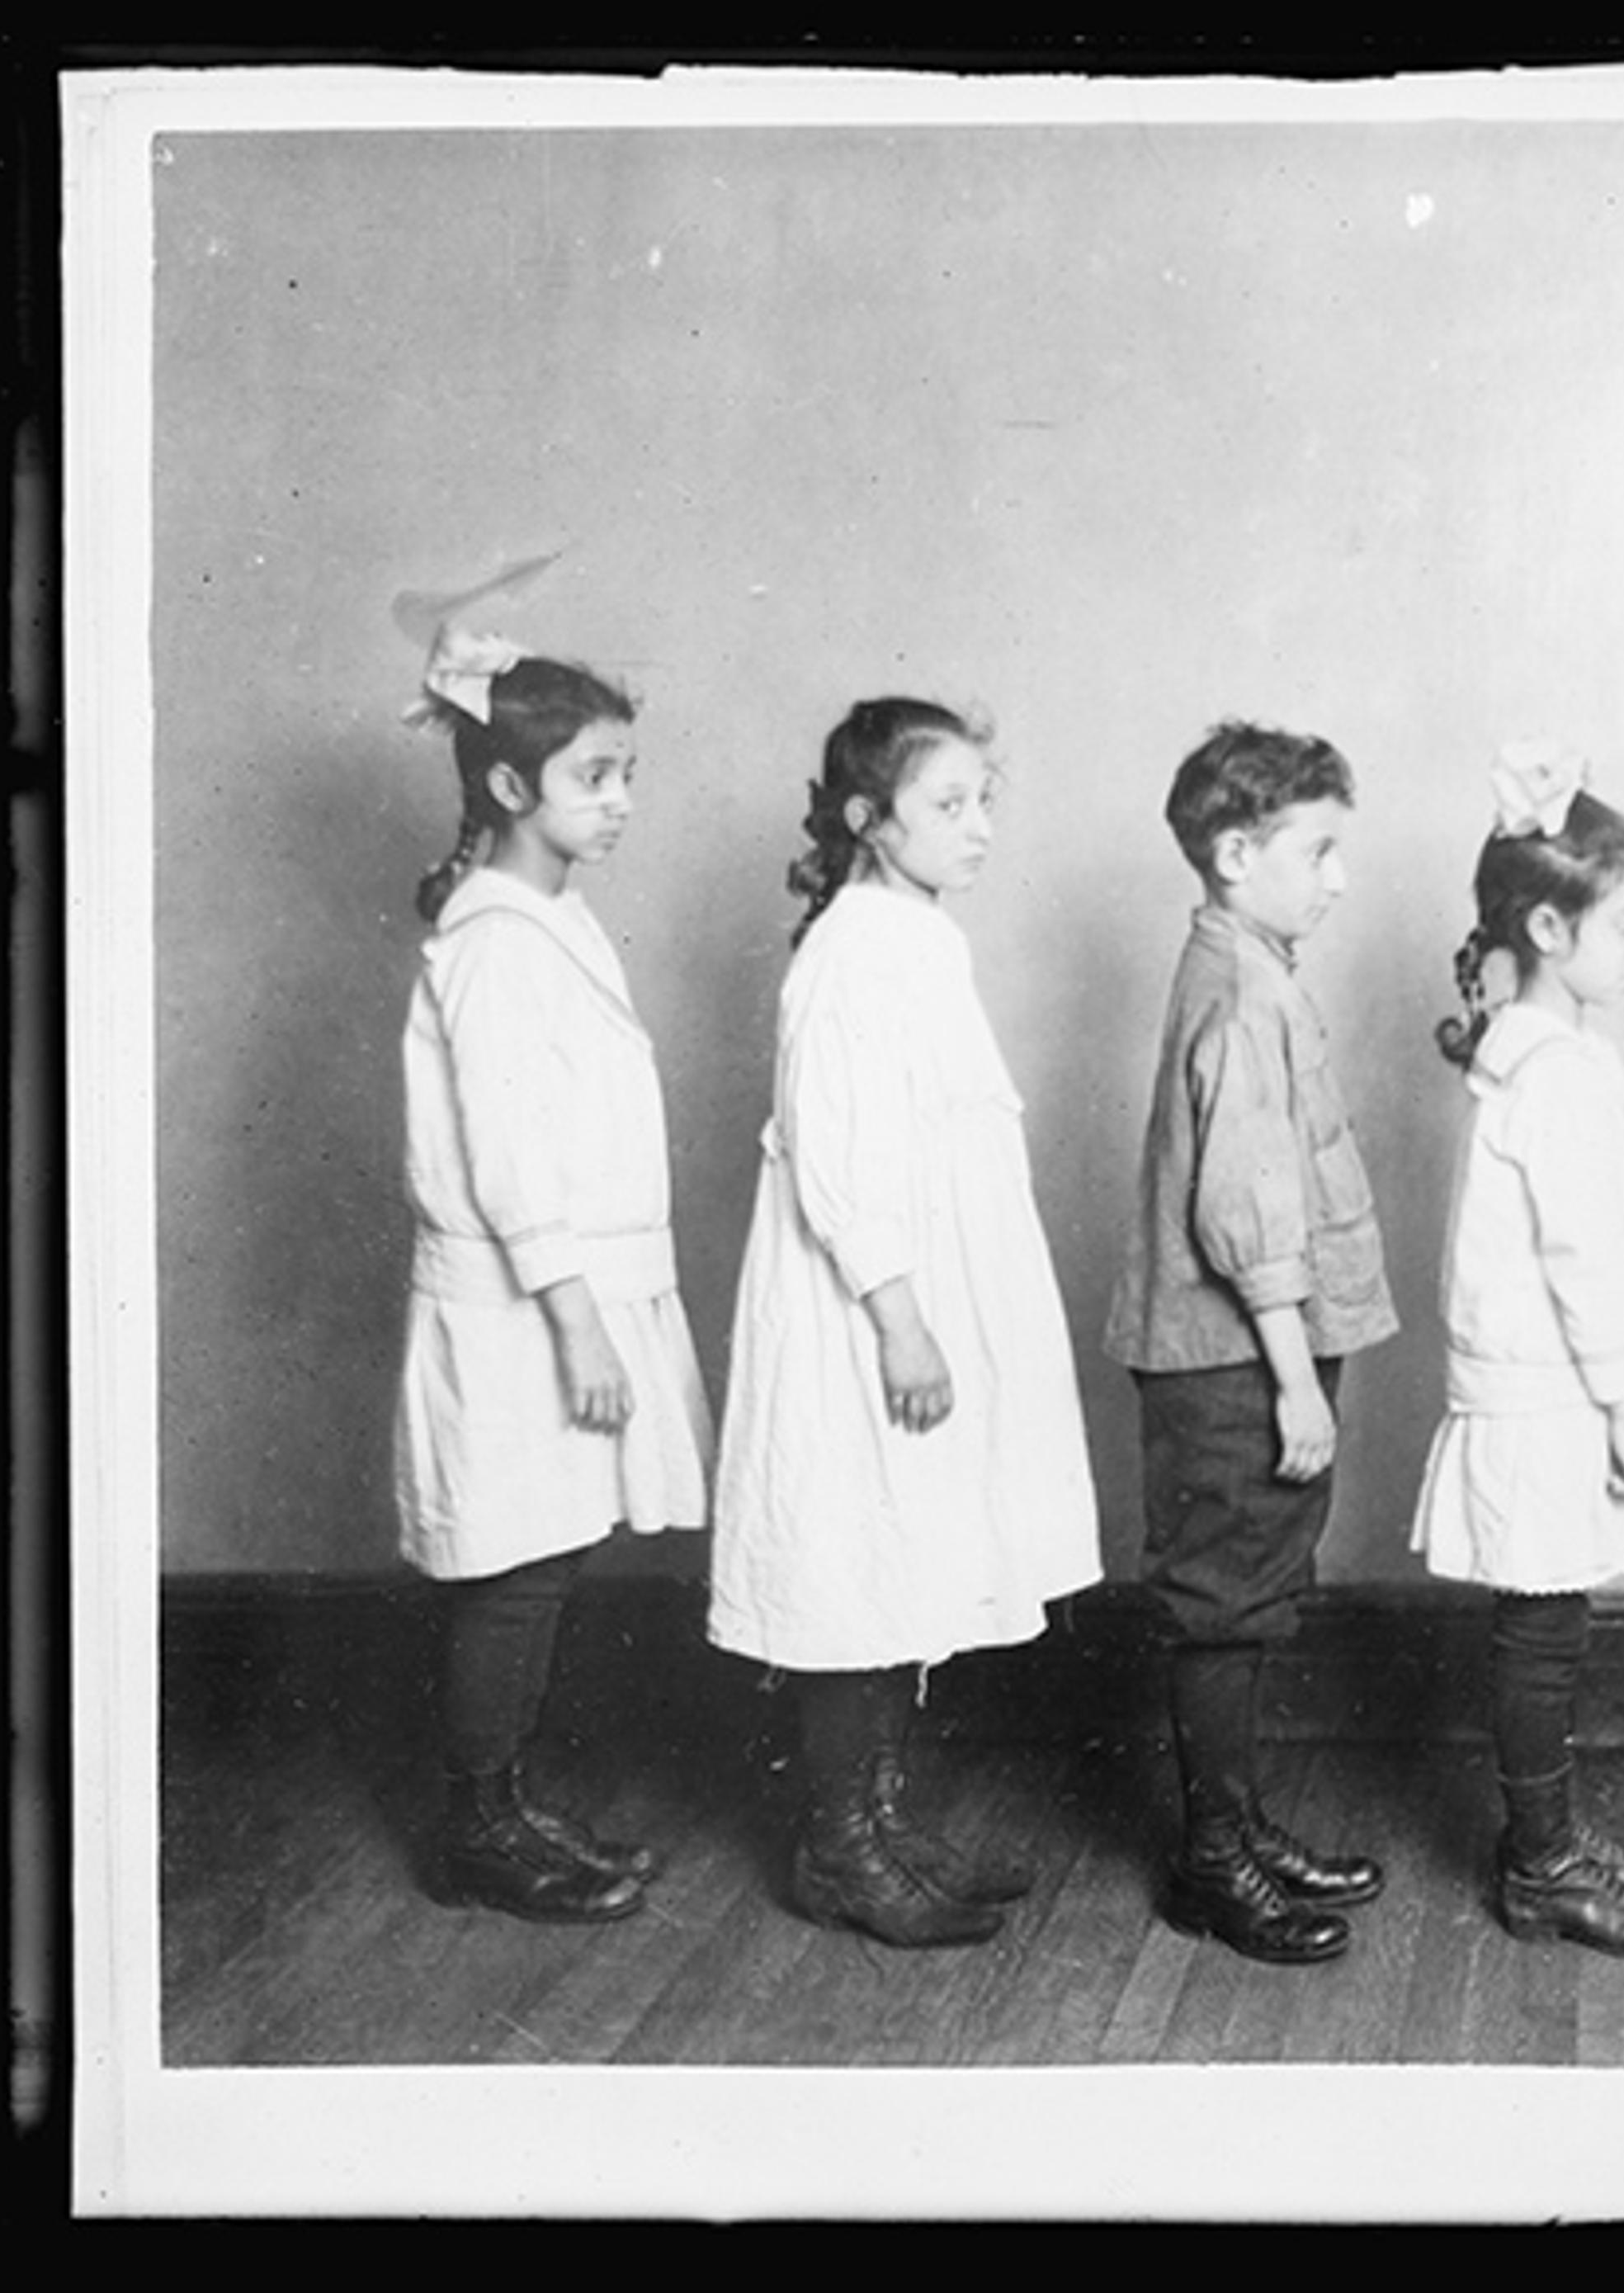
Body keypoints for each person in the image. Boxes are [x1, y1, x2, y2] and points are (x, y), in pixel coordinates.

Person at [709, 699, 1102, 1950]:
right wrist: (899, 1315)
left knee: (908, 1550)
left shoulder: (918, 936)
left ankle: (879, 1820)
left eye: (987, 800)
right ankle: (838, 1845)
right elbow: (834, 1149)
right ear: (869, 822)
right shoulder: (850, 949)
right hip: (868, 1302)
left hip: (928, 1286)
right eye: (949, 805)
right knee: (855, 1561)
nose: (978, 826)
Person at [393, 622, 715, 1923]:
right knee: (517, 1568)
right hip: (529, 1306)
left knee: (548, 1553)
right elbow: (513, 1159)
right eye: (595, 776)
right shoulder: (493, 942)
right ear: (513, 789)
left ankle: (504, 1798)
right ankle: (477, 1819)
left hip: (579, 1292)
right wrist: (582, 1327)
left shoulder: (550, 921)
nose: (621, 801)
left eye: (628, 772)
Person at [1407, 744, 1624, 1960]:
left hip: (1548, 1389)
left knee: (1552, 1624)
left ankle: (1549, 1846)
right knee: (1541, 1629)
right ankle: (1541, 1866)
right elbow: (1587, 1259)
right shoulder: (1557, 1071)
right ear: (1548, 921)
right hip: (1553, 1396)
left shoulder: (1544, 1058)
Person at [1103, 721, 1400, 1966]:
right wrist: (1293, 1384)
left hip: (1248, 1354)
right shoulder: (1238, 988)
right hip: (1232, 1361)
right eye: (1317, 849)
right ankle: (1212, 1860)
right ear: (1235, 852)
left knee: (1249, 1594)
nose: (1338, 876)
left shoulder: (1252, 967)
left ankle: (1237, 1824)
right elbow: (1243, 1212)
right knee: (1222, 1608)